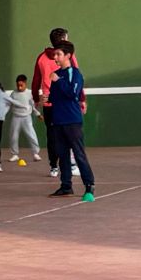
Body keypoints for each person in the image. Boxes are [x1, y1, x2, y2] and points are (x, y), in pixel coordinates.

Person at [45, 43, 95, 200]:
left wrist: (59, 80)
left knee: (79, 154)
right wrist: (46, 98)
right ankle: (66, 186)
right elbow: (55, 97)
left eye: (58, 54)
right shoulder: (56, 74)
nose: (55, 57)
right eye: (55, 54)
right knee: (63, 155)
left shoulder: (74, 73)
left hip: (72, 121)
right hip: (58, 120)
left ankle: (89, 186)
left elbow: (73, 93)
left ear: (68, 55)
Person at [32, 28, 78, 178]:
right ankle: (70, 165)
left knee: (52, 136)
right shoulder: (68, 56)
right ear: (64, 39)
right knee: (68, 134)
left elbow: (36, 81)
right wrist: (81, 99)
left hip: (49, 105)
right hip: (62, 104)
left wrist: (35, 98)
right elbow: (76, 76)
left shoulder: (41, 57)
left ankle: (54, 167)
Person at [5, 74, 42, 162]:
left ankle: (35, 153)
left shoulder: (30, 93)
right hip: (16, 117)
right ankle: (15, 154)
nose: (20, 87)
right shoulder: (13, 94)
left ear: (25, 84)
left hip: (27, 117)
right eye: (18, 85)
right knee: (13, 136)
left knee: (31, 135)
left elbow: (33, 106)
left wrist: (38, 114)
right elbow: (8, 105)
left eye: (21, 85)